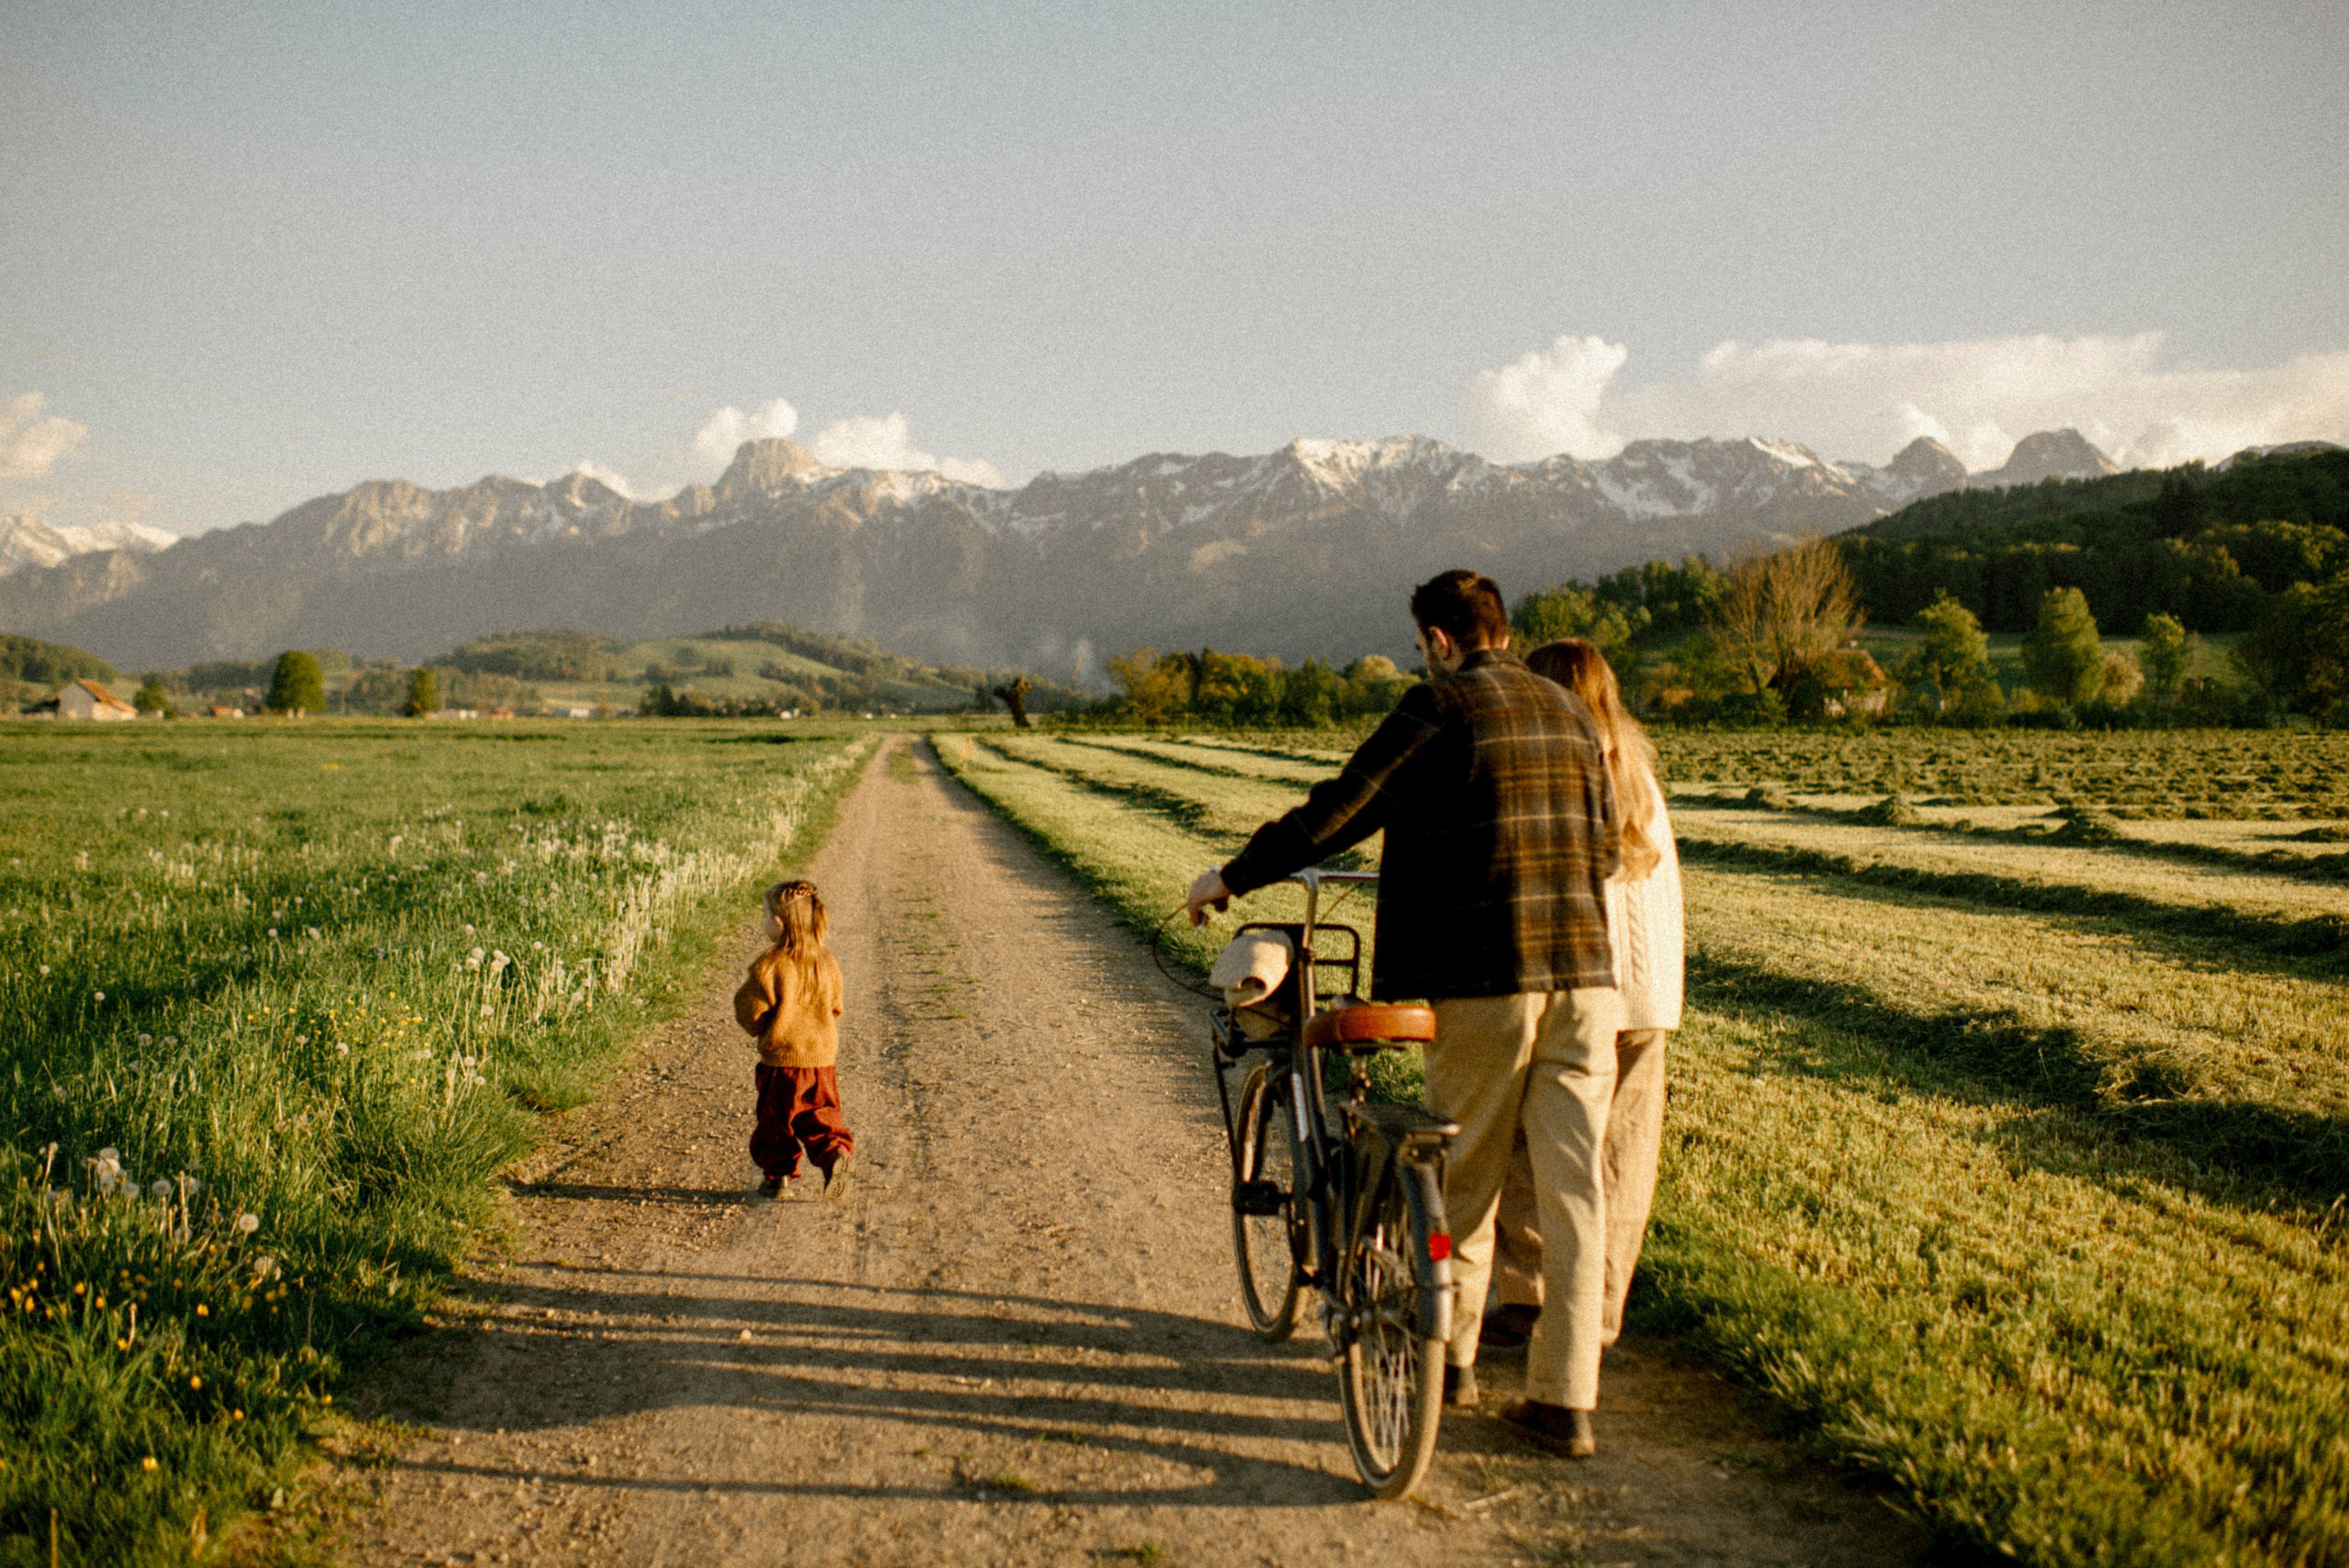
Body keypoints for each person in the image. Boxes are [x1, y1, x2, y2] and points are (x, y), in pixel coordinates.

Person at [1188, 569, 1624, 1458]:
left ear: (1436, 638)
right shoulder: (1571, 712)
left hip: (1486, 975)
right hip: (1587, 978)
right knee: (1576, 1193)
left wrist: (1231, 875)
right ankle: (1563, 1399)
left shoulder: (1439, 705)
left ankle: (1446, 1361)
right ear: (1500, 627)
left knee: (1462, 1173)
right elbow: (1607, 842)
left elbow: (1337, 810)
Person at [1482, 639, 1684, 1358]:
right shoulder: (1639, 774)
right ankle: (1595, 1319)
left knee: (1527, 1140)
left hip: (1581, 987)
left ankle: (1529, 1296)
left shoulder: (1555, 765)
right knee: (1621, 1158)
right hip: (1650, 996)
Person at [732, 878, 854, 1200]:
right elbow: (836, 1006)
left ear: (778, 922)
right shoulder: (827, 962)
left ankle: (778, 1178)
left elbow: (751, 1012)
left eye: (765, 915)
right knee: (821, 1117)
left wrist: (763, 1027)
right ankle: (836, 1156)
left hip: (783, 1065)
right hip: (822, 1064)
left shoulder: (769, 966)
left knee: (777, 1124)